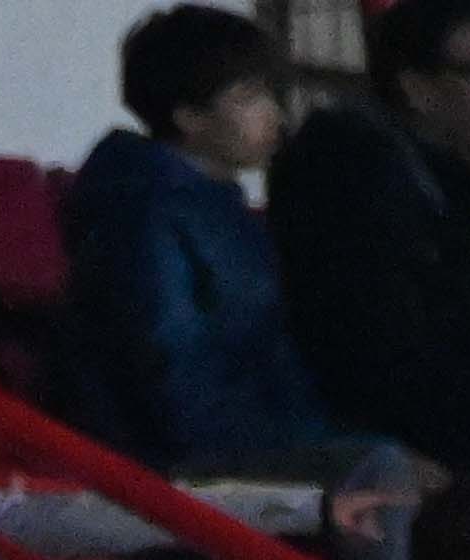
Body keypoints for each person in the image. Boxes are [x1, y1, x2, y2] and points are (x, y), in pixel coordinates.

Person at [270, 0, 470, 497]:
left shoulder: (464, 191)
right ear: (419, 91)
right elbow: (377, 355)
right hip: (383, 446)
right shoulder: (352, 175)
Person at [54, 5, 360, 478]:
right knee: (380, 470)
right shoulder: (144, 216)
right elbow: (174, 377)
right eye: (248, 97)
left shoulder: (222, 212)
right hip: (176, 458)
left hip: (247, 435)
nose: (275, 115)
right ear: (189, 116)